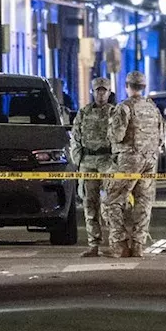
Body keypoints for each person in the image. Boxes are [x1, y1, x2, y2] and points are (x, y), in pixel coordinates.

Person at [100, 70, 164, 257]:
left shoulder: (124, 107)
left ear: (127, 86)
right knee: (143, 202)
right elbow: (161, 137)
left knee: (112, 200)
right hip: (150, 160)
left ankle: (119, 244)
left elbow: (116, 136)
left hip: (128, 160)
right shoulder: (153, 108)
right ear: (143, 87)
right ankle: (138, 245)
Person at [69, 77, 116, 256]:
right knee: (89, 203)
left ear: (109, 92)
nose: (101, 93)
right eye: (98, 90)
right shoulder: (84, 113)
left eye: (104, 90)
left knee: (111, 203)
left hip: (107, 161)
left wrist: (117, 161)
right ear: (93, 92)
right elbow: (75, 137)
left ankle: (115, 242)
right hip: (88, 162)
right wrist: (78, 161)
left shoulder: (114, 113)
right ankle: (93, 244)